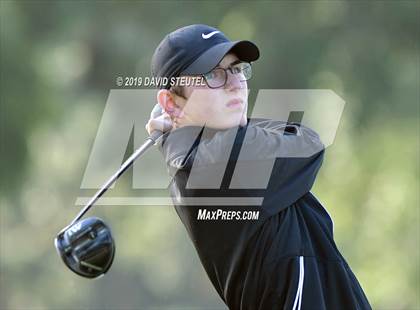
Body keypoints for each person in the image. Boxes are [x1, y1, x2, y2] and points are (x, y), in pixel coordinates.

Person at [146, 24, 372, 310]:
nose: (234, 83)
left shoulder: (203, 159)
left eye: (238, 69)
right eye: (213, 74)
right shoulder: (215, 168)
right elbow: (308, 143)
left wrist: (174, 133)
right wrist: (173, 138)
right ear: (170, 102)